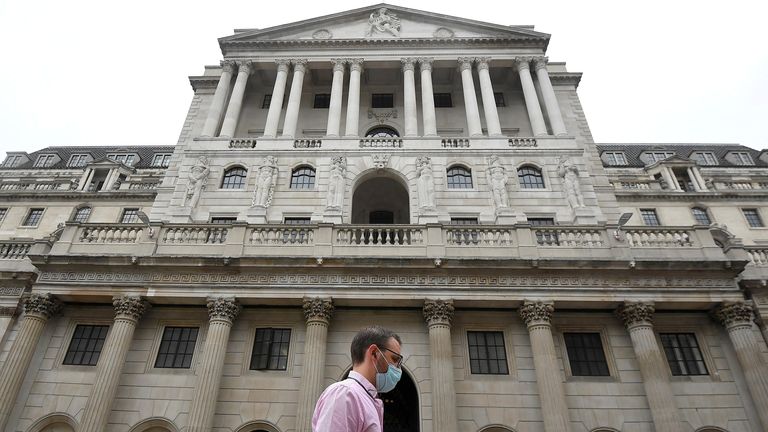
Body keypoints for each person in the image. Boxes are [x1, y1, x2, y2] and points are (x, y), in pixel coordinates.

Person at [312, 326, 403, 432]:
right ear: (374, 353)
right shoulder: (345, 394)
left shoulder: (364, 397)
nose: (398, 368)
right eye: (395, 359)